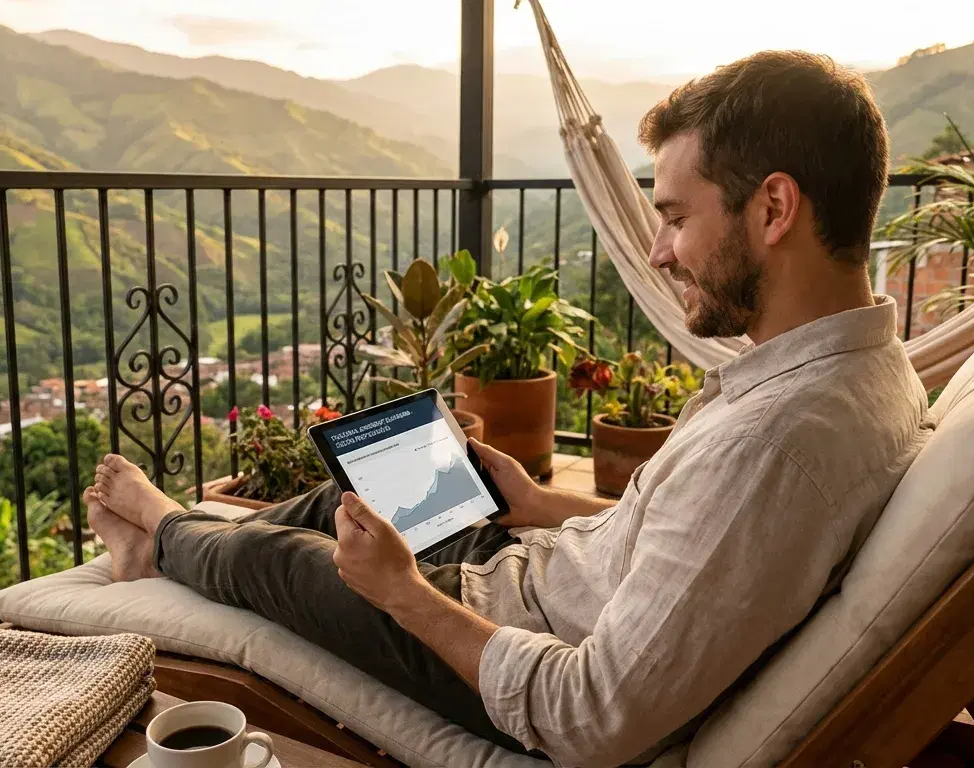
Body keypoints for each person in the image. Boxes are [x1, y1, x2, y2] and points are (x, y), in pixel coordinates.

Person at [84, 50, 931, 767]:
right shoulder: (862, 370)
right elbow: (684, 536)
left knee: (283, 559)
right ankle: (195, 552)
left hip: (501, 643)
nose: (657, 250)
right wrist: (541, 504)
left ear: (774, 208)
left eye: (674, 217)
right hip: (542, 566)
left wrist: (405, 593)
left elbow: (594, 713)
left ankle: (164, 537)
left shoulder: (781, 444)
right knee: (343, 504)